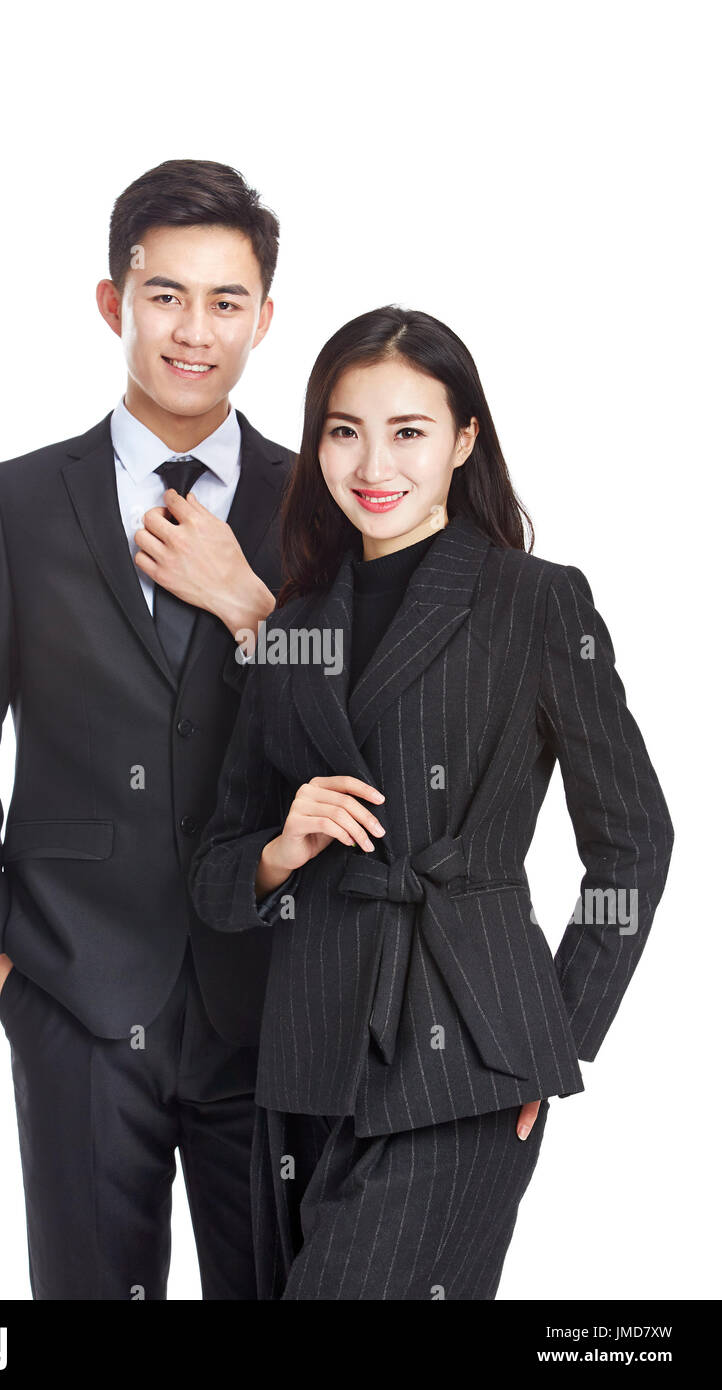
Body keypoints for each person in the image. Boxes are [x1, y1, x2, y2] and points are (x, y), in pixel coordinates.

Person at [189, 305, 675, 1300]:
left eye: (408, 431)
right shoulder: (293, 623)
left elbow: (632, 839)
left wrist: (549, 1035)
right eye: (342, 428)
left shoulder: (533, 601)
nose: (373, 461)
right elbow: (215, 865)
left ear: (462, 441)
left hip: (465, 1052)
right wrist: (279, 848)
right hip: (302, 1052)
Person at [0, 159, 296, 1299]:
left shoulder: (313, 505)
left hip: (267, 992)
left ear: (264, 319)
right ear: (111, 301)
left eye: (226, 302)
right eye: (165, 294)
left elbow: (353, 725)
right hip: (72, 993)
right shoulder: (17, 504)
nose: (194, 330)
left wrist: (252, 609)